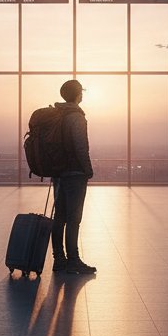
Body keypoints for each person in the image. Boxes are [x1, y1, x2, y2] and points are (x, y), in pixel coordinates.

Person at [51, 79, 96, 274]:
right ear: (78, 94)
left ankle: (59, 259)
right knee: (73, 218)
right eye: (81, 92)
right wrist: (88, 169)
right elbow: (80, 146)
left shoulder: (56, 115)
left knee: (59, 217)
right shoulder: (76, 117)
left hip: (58, 173)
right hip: (75, 174)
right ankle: (73, 260)